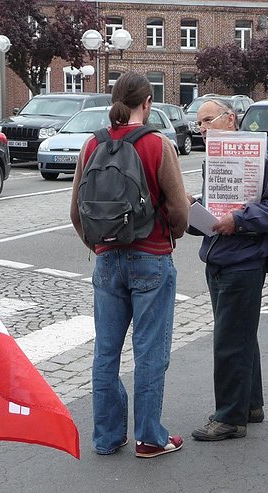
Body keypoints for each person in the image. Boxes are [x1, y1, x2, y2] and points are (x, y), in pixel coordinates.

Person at [69, 72, 190, 459]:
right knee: (150, 352)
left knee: (106, 352)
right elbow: (179, 211)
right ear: (148, 102)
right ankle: (149, 437)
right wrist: (171, 234)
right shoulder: (157, 144)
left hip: (106, 260)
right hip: (150, 258)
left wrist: (97, 242)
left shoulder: (92, 145)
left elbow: (76, 210)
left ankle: (106, 437)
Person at [189, 100, 268, 442]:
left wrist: (238, 220)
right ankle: (250, 404)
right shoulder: (216, 160)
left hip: (243, 261)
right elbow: (216, 212)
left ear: (230, 119)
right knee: (240, 334)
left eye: (208, 120)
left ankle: (230, 418)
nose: (202, 128)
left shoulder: (258, 157)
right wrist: (193, 212)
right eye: (199, 123)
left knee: (229, 339)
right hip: (220, 256)